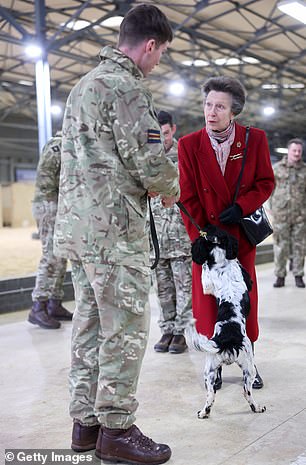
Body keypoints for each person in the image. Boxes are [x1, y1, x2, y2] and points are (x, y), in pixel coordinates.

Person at [53, 5, 180, 464]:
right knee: (125, 329)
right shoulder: (127, 87)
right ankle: (117, 428)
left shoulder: (81, 87)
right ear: (149, 45)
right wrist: (171, 188)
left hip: (80, 231)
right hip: (114, 232)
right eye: (161, 52)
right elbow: (147, 158)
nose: (159, 60)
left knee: (88, 326)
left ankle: (84, 425)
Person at [178, 76, 275, 390]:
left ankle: (249, 361)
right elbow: (187, 194)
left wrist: (244, 206)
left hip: (239, 238)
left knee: (243, 301)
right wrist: (202, 234)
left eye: (220, 106)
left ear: (234, 112)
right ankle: (214, 364)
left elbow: (265, 182)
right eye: (208, 104)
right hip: (207, 238)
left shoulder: (254, 139)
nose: (212, 111)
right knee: (208, 304)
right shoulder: (189, 145)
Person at [152, 111, 192, 354]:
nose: (162, 139)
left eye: (165, 134)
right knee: (162, 287)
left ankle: (181, 332)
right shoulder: (147, 159)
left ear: (173, 130)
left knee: (184, 287)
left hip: (181, 236)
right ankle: (166, 328)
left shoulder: (185, 156)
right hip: (155, 237)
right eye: (157, 135)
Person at [28, 131, 73, 330]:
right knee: (51, 256)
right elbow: (56, 181)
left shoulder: (64, 144)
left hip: (56, 205)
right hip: (49, 205)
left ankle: (54, 303)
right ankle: (38, 306)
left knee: (61, 255)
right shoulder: (59, 146)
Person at [271, 138, 306, 288]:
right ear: (288, 151)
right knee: (280, 246)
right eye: (294, 150)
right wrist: (269, 209)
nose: (297, 153)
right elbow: (268, 190)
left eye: (299, 151)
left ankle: (298, 275)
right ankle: (280, 276)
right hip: (281, 215)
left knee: (300, 246)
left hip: (300, 215)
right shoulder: (276, 168)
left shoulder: (305, 170)